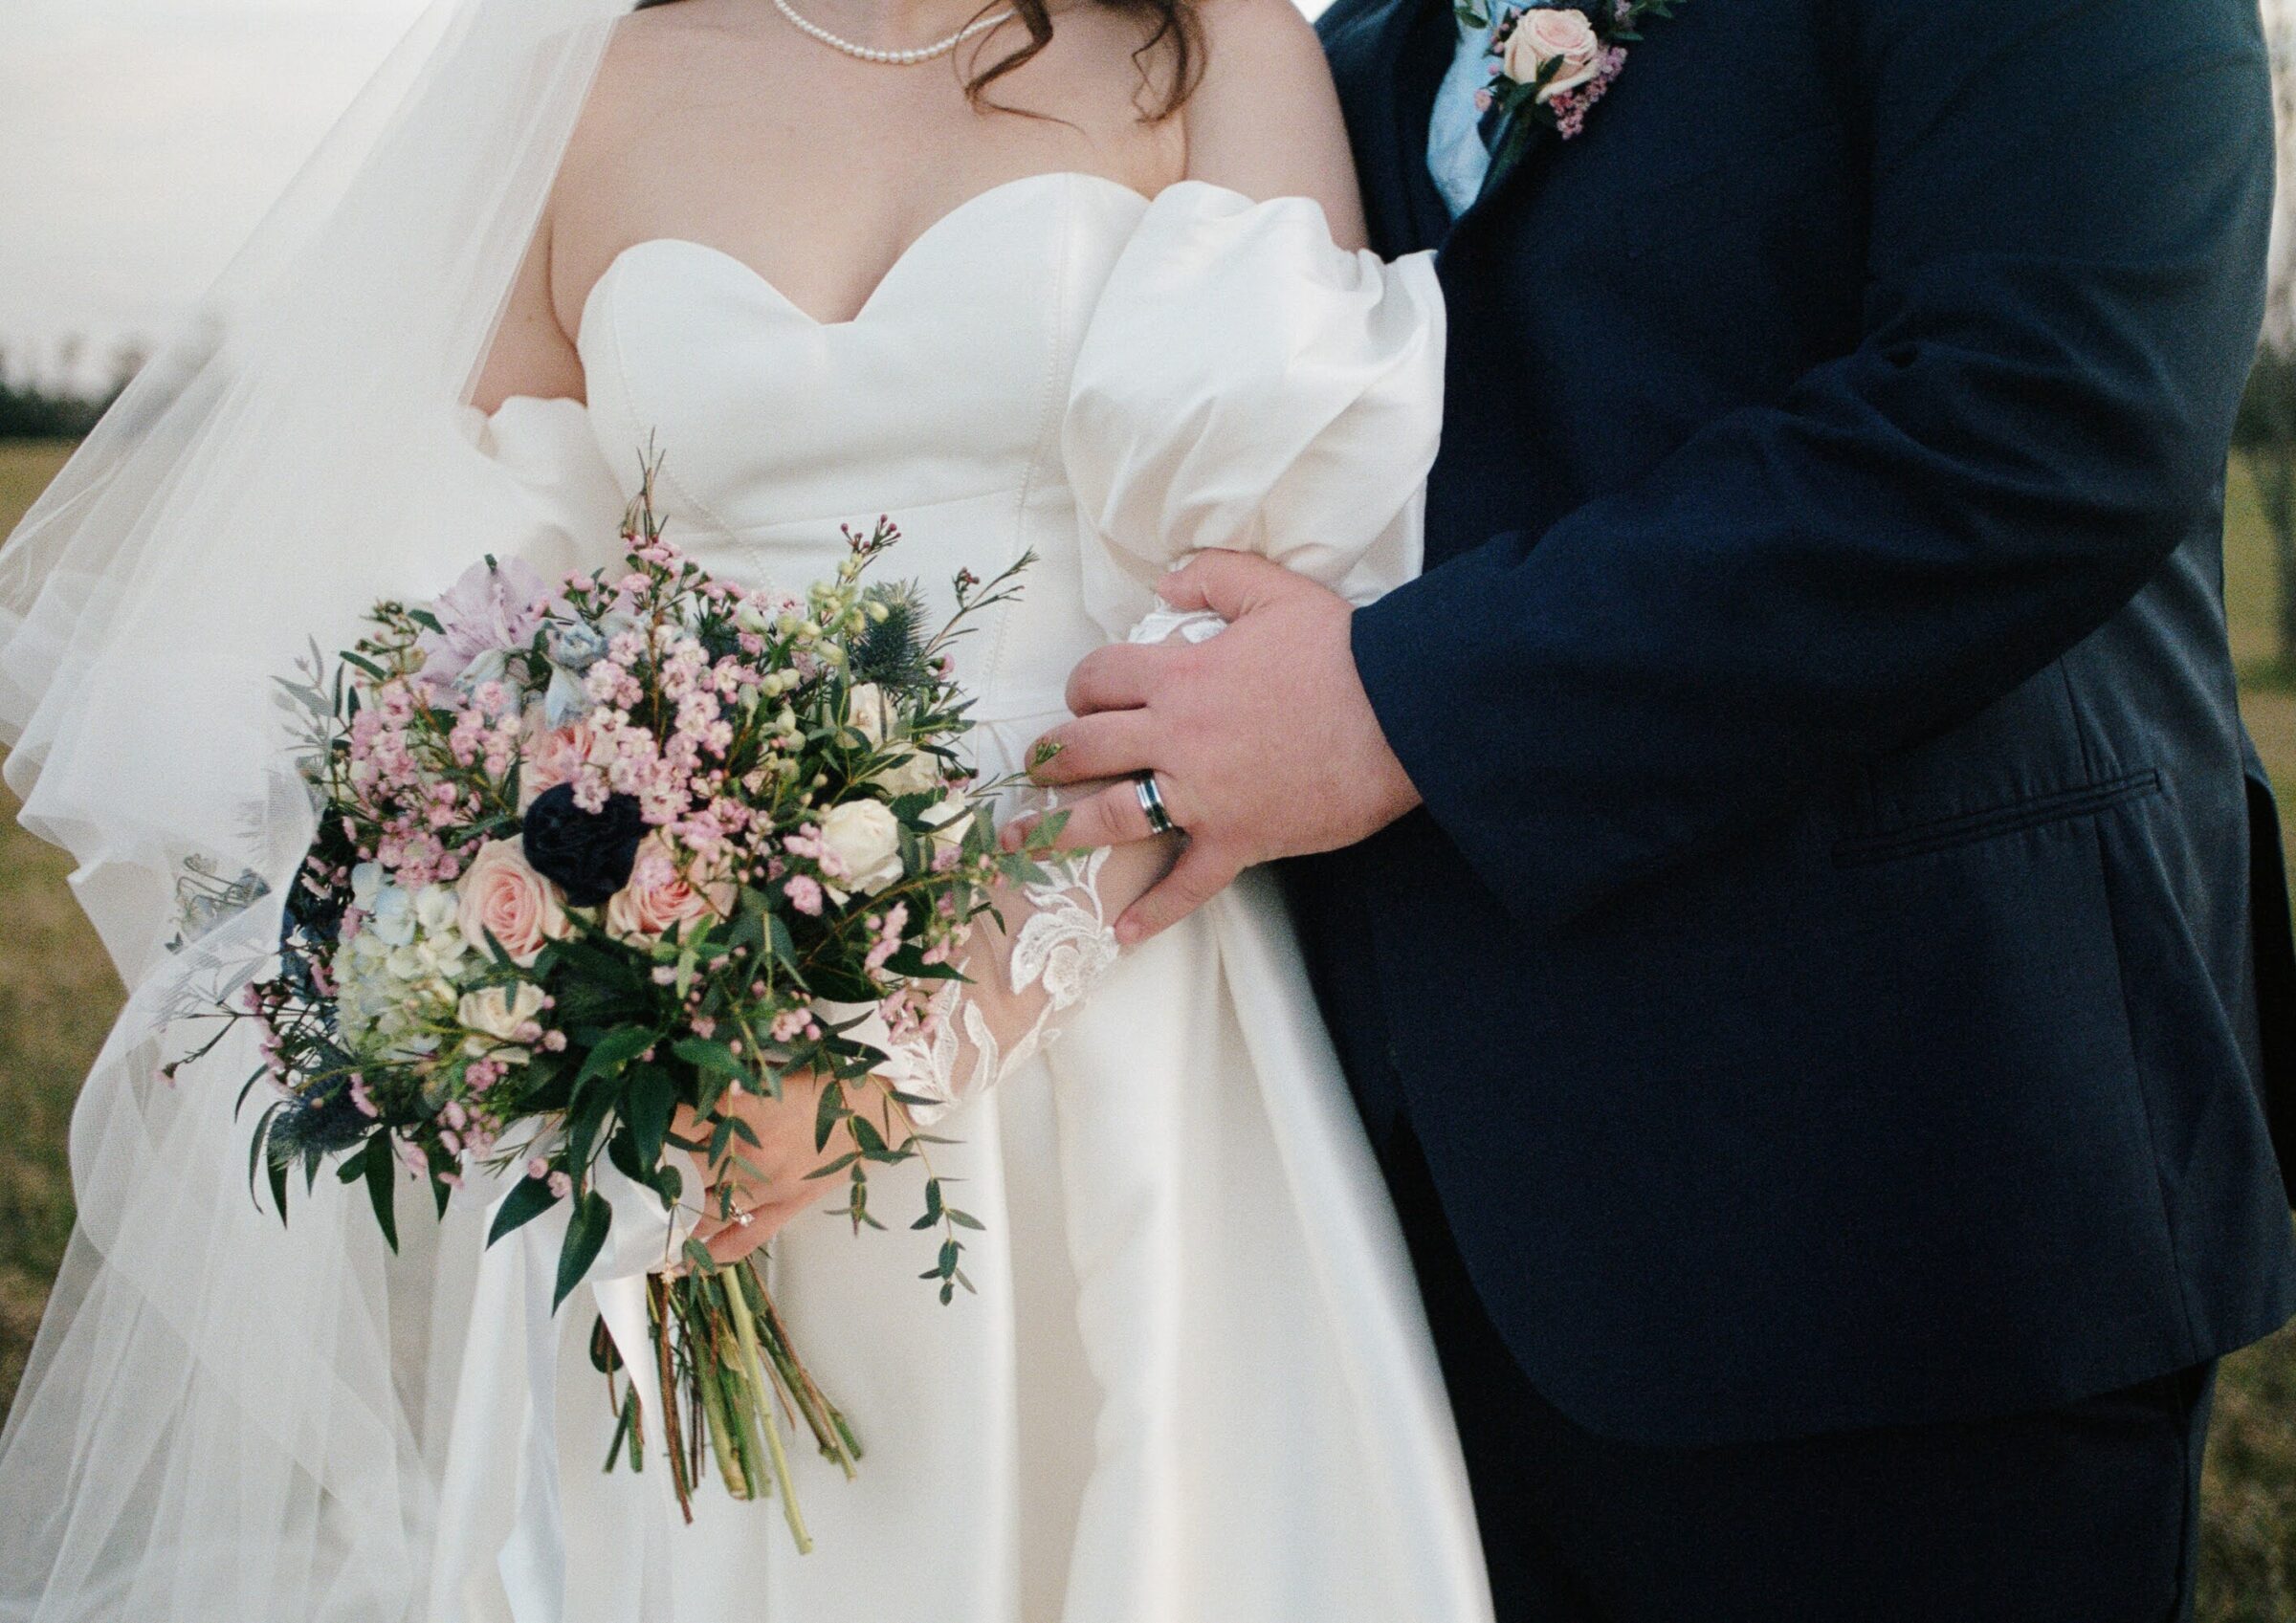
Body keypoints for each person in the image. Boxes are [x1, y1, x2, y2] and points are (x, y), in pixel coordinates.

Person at [0, 0, 1496, 1617]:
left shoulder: (1206, 47)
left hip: (1108, 990)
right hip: (678, 1051)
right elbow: (492, 616)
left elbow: (1267, 597)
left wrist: (915, 1030)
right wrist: (549, 985)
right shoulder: (597, 88)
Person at [1027, 0, 2296, 1616]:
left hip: (1922, 1217)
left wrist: (1401, 704)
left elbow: (2055, 408)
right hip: (1425, 1276)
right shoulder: (1333, 63)